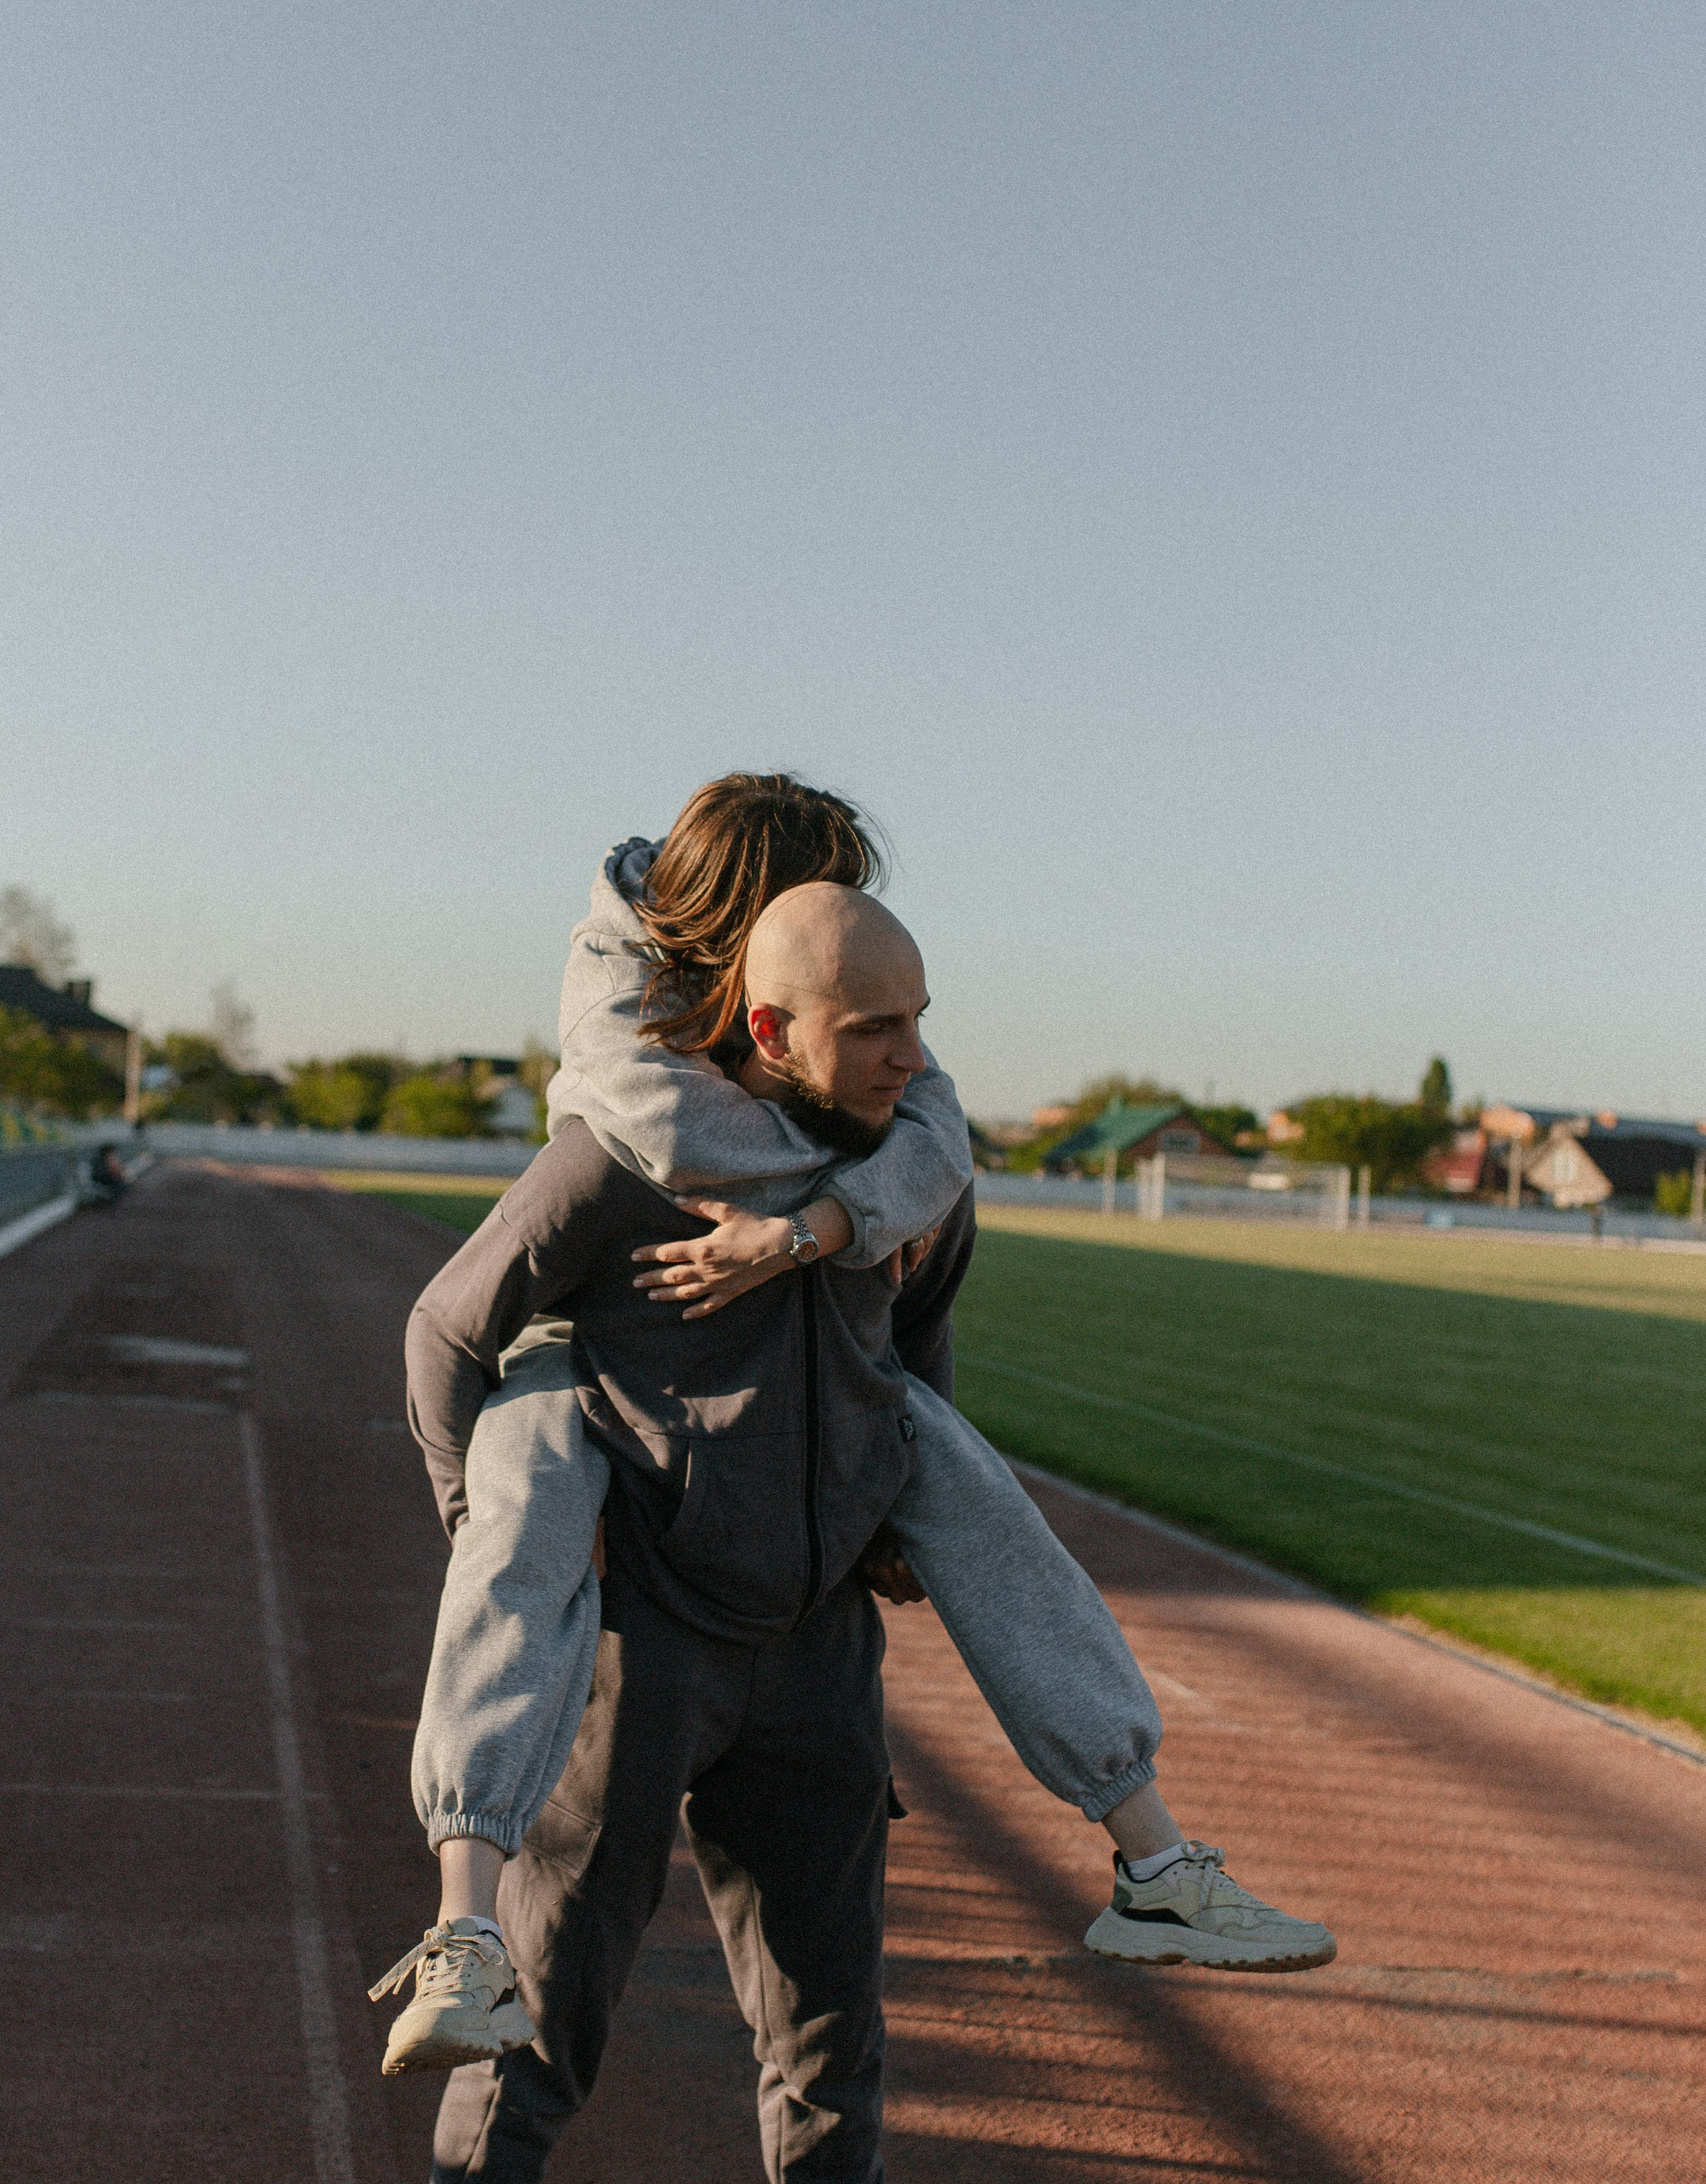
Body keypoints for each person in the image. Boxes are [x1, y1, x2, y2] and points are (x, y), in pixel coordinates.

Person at [360, 872, 1323, 2184]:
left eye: (920, 1017)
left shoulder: (909, 1179)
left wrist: (883, 1499)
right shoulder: (622, 1158)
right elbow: (448, 1332)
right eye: (871, 1026)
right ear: (766, 1027)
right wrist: (504, 1537)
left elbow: (913, 1345)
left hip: (812, 1657)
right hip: (636, 1655)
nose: (908, 1054)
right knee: (541, 2018)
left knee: (827, 2018)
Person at [385, 779, 1331, 2085]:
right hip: (613, 1460)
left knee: (972, 1488)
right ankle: (462, 1929)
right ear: (752, 967)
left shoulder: (882, 1100)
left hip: (808, 1567)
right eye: (828, 908)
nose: (894, 1024)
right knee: (526, 1494)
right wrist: (465, 1515)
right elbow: (452, 1324)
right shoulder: (627, 1109)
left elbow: (926, 1229)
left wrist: (825, 1254)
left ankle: (1155, 1860)